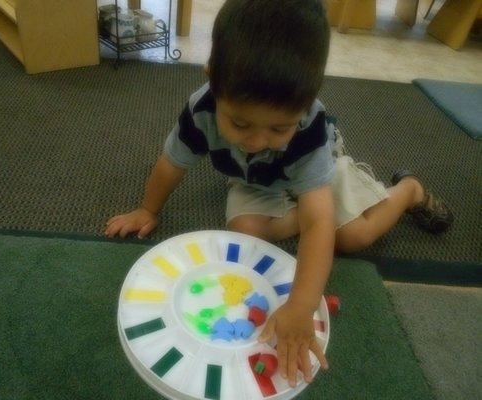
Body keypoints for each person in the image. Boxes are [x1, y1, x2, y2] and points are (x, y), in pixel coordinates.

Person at [105, 0, 453, 388]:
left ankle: (407, 191)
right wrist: (147, 208)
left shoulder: (309, 130)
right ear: (213, 79)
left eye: (277, 129)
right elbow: (173, 161)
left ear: (304, 106)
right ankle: (296, 218)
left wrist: (301, 306)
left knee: (350, 237)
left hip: (318, 174)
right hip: (255, 182)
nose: (257, 141)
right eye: (240, 123)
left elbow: (320, 219)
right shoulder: (200, 109)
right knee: (244, 235)